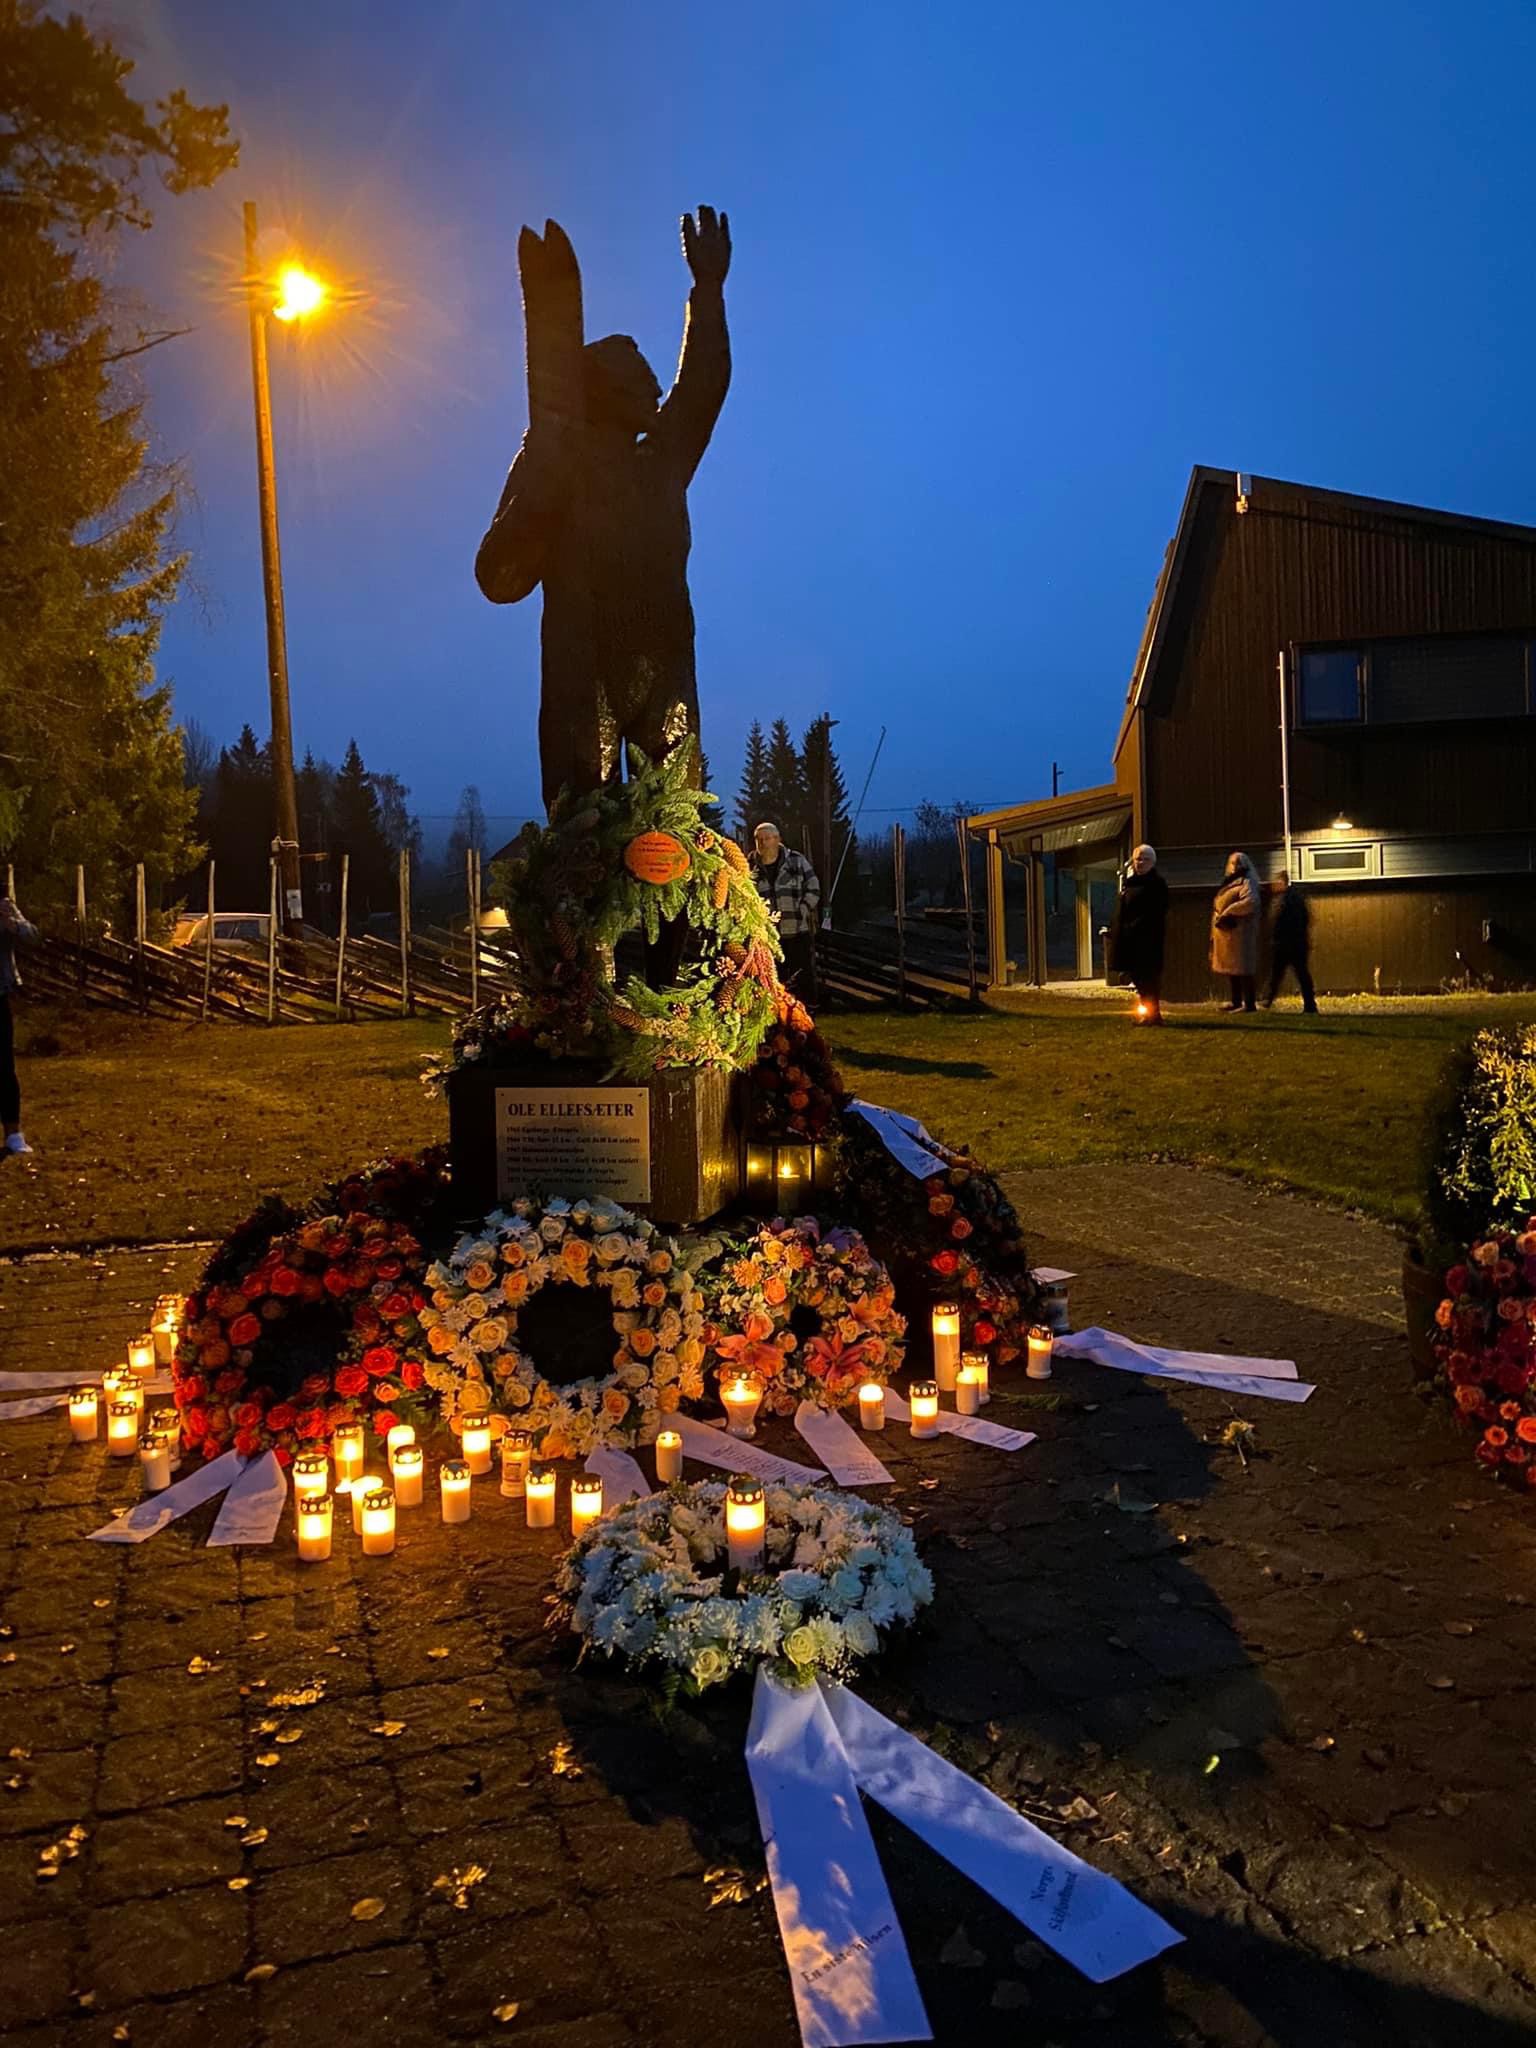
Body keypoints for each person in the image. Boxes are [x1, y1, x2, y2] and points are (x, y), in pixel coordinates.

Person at [750, 822, 822, 999]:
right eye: (759, 839)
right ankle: (777, 1013)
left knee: (803, 977)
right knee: (773, 981)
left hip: (797, 932)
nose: (763, 843)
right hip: (767, 937)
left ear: (777, 839)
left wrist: (803, 909)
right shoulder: (749, 866)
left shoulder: (796, 861)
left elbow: (813, 887)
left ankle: (807, 1011)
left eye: (767, 838)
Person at [1106, 843, 1169, 1024]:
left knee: (1148, 978)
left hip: (1146, 940)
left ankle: (1152, 1014)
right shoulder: (1130, 883)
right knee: (1138, 977)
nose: (1140, 863)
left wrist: (1135, 927)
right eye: (1137, 859)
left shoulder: (1156, 884)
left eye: (1144, 859)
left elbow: (1156, 912)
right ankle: (1149, 1013)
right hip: (1129, 939)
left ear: (1152, 862)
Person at [0, 893, 39, 1157]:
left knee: (4, 1068)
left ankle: (13, 1134)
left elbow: (33, 935)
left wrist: (12, 925)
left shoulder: (4, 905)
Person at [1210, 851, 1260, 1012]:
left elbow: (1250, 902)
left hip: (1240, 933)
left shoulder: (1247, 882)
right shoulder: (1230, 882)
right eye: (1232, 863)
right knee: (1232, 969)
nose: (1235, 866)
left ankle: (1249, 1003)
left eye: (1238, 863)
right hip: (1228, 932)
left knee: (1243, 969)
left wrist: (1229, 911)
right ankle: (1236, 1001)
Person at [1264, 872, 1318, 1013]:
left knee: (1285, 973)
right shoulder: (1292, 897)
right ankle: (1309, 1004)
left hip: (1290, 943)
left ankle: (1269, 1000)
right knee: (1297, 974)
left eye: (1276, 883)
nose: (1273, 886)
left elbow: (1292, 921)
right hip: (1294, 942)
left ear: (1282, 883)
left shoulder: (1288, 899)